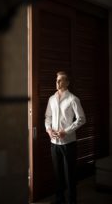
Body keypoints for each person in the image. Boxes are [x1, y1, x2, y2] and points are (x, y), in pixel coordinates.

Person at [45, 71, 86, 204]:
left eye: (61, 80)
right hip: (54, 142)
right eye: (57, 80)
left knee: (70, 175)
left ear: (67, 83)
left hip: (68, 143)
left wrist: (66, 131)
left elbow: (81, 119)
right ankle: (59, 199)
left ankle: (72, 200)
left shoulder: (73, 99)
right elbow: (48, 117)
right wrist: (49, 130)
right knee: (58, 174)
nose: (57, 82)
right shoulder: (51, 99)